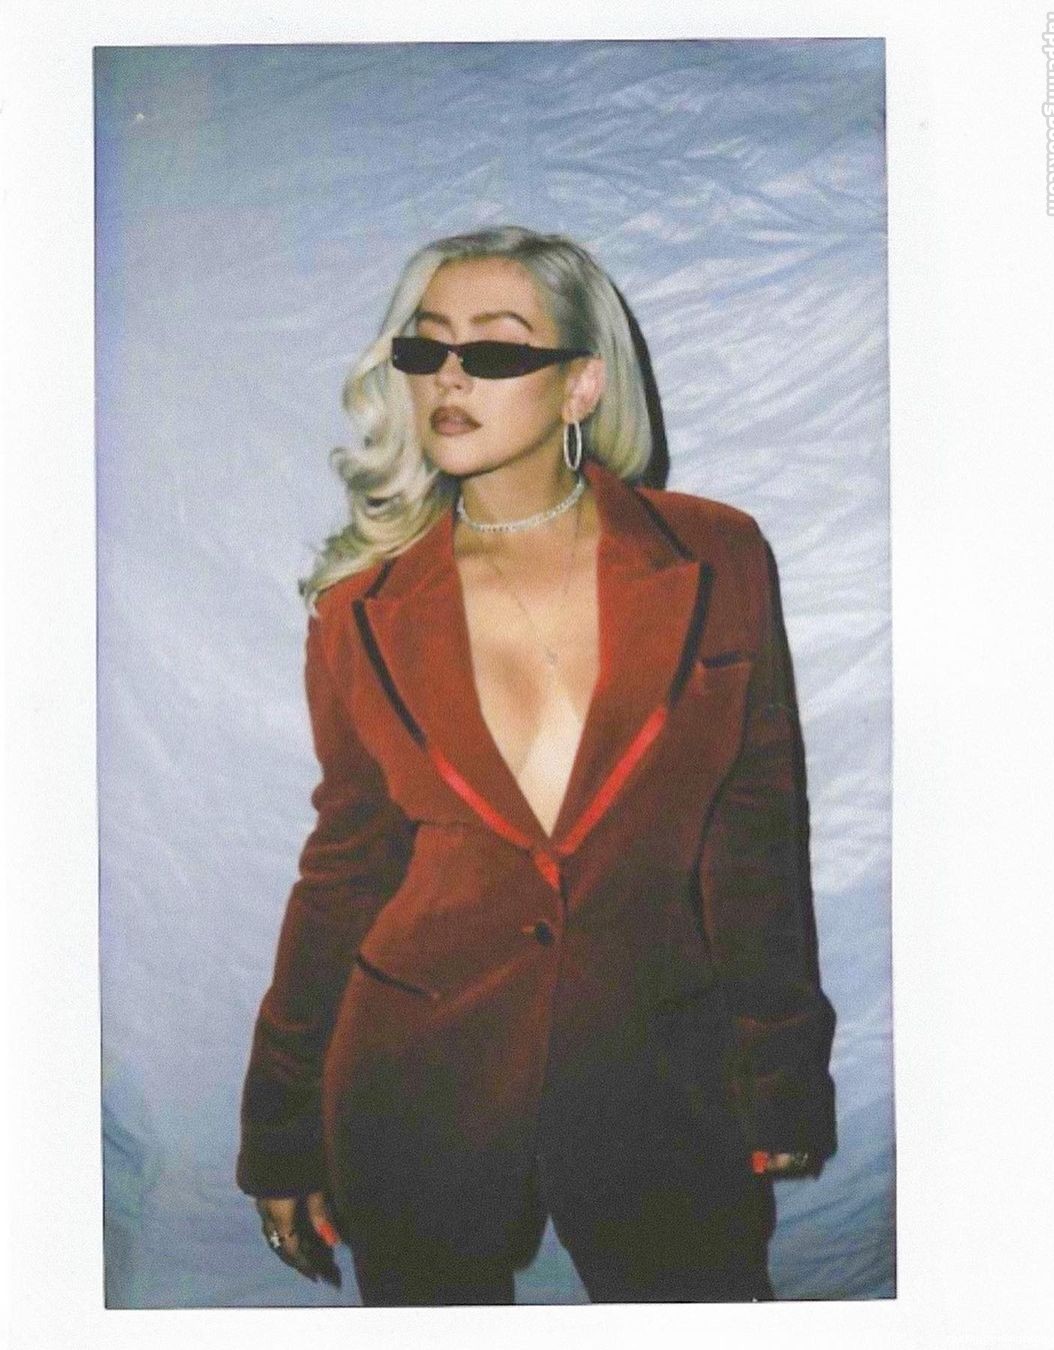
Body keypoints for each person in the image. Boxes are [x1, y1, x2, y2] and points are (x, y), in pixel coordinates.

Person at [236, 225, 837, 1305]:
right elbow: (345, 868)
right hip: (413, 1084)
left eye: (497, 349)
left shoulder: (716, 555)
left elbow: (753, 833)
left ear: (580, 385)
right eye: (426, 348)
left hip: (660, 1082)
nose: (451, 375)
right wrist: (279, 1129)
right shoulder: (360, 610)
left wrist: (781, 1068)